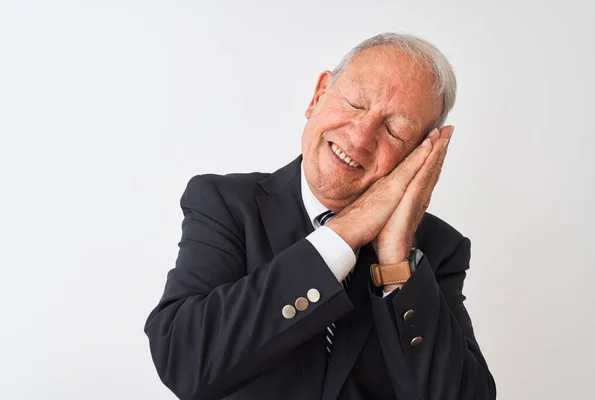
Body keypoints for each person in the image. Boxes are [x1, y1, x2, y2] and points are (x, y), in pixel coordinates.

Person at [144, 32, 496, 400]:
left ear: (417, 159)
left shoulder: (436, 250)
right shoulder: (225, 204)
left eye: (395, 130)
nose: (360, 137)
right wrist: (341, 235)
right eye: (357, 104)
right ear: (318, 95)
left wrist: (396, 259)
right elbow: (184, 362)